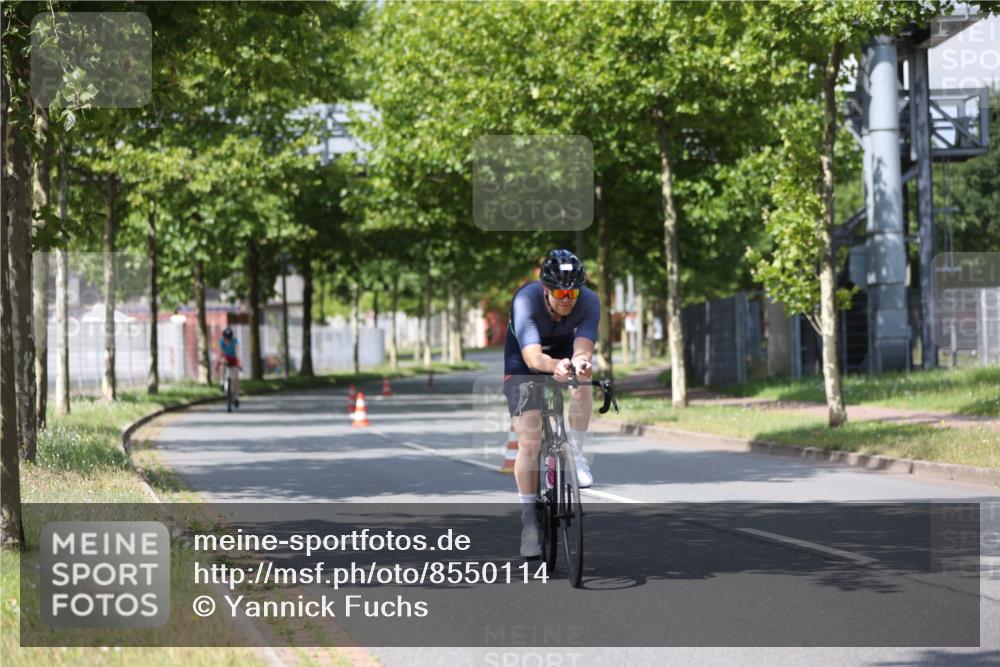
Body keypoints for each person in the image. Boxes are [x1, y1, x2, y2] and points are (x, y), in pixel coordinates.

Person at [503, 249, 599, 559]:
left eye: (572, 291)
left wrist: (580, 364)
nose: (567, 298)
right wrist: (556, 365)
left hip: (563, 350)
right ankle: (529, 521)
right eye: (559, 291)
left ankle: (577, 454)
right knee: (529, 441)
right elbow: (533, 358)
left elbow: (583, 348)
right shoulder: (525, 301)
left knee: (585, 377)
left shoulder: (588, 301)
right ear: (546, 289)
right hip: (524, 360)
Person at [218, 327, 241, 408]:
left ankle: (236, 397)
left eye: (229, 338)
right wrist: (221, 359)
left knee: (235, 378)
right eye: (226, 338)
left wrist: (239, 362)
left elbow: (237, 351)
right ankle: (222, 382)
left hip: (233, 359)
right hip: (225, 358)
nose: (227, 340)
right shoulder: (221, 342)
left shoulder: (235, 341)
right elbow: (220, 352)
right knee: (222, 365)